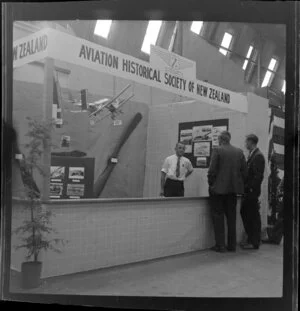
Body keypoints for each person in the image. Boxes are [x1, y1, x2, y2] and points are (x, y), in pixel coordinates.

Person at [207, 131, 247, 252]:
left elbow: (212, 170)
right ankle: (232, 245)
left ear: (220, 140)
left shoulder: (217, 150)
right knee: (231, 218)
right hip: (233, 191)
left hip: (218, 191)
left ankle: (220, 245)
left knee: (218, 217)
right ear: (229, 139)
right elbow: (244, 172)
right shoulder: (239, 152)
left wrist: (211, 184)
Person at [240, 134, 265, 250]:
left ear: (251, 142)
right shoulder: (253, 155)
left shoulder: (258, 156)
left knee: (251, 216)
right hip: (250, 191)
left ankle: (254, 241)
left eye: (247, 142)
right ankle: (254, 240)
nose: (245, 144)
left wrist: (250, 188)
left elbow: (258, 176)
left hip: (252, 192)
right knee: (249, 214)